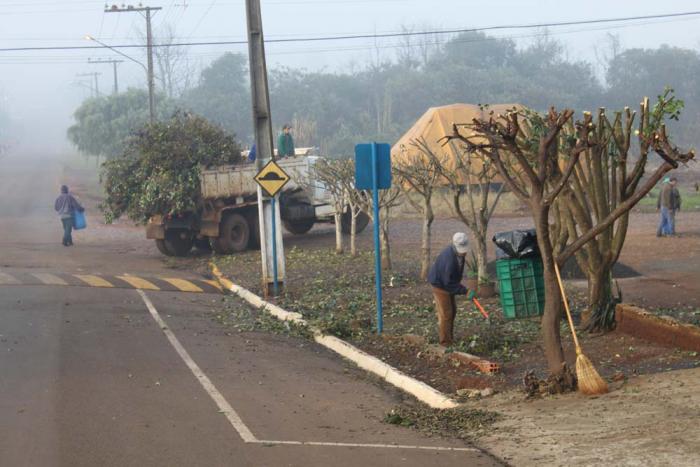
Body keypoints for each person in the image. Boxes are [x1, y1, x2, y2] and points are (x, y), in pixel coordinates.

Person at [427, 232, 476, 346]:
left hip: (448, 284)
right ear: (454, 245)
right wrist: (465, 291)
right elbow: (448, 283)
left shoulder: (458, 254)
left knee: (452, 311)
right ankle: (445, 344)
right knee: (446, 314)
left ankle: (449, 338)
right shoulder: (448, 259)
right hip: (440, 286)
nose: (464, 252)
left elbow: (453, 279)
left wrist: (462, 289)